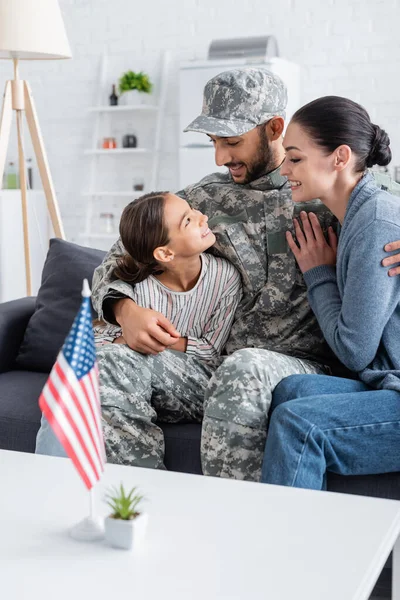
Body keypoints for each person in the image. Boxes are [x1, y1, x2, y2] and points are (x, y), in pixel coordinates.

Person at [85, 69, 400, 480]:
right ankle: (140, 507)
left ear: (274, 128)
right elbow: (118, 258)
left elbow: (382, 215)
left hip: (306, 370)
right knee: (107, 361)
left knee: (245, 369)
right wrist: (124, 309)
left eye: (231, 141)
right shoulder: (202, 200)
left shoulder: (330, 186)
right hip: (214, 367)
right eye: (212, 142)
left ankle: (235, 527)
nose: (220, 156)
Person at [36, 192, 242, 468]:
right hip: (135, 376)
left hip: (196, 383)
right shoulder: (136, 287)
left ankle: (134, 485)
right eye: (189, 220)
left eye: (194, 212)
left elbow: (211, 349)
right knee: (77, 372)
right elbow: (112, 337)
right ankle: (57, 481)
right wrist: (130, 334)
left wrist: (153, 340)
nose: (204, 218)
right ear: (165, 253)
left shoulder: (225, 277)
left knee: (99, 365)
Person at [260, 96, 400, 489]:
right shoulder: (358, 215)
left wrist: (319, 274)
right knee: (291, 390)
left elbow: (355, 351)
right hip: (385, 380)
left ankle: (285, 548)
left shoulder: (376, 223)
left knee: (298, 424)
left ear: (340, 157)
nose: (284, 169)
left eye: (295, 158)